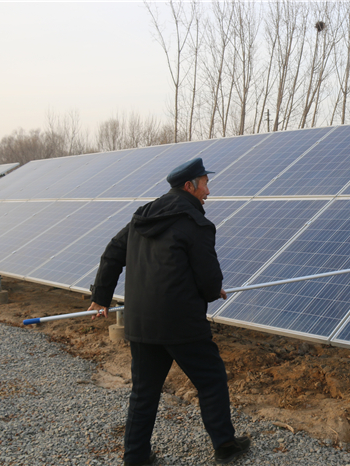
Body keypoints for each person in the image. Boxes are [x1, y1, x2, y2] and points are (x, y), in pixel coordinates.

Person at [88, 158, 251, 466]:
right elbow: (208, 278)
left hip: (141, 322)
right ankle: (226, 445)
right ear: (189, 186)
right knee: (212, 379)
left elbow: (112, 252)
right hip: (181, 324)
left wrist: (101, 297)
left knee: (144, 392)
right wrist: (212, 291)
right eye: (204, 184)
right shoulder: (195, 224)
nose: (208, 191)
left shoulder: (141, 218)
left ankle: (135, 457)